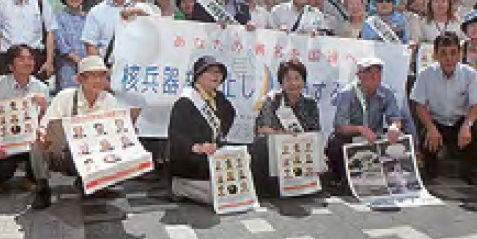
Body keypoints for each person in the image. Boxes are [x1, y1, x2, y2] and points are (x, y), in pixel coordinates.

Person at [31, 55, 122, 210]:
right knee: (36, 144)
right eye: (93, 76)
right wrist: (42, 133)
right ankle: (42, 187)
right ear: (80, 80)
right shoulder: (65, 97)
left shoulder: (109, 100)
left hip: (96, 154)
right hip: (66, 154)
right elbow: (46, 124)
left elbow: (118, 130)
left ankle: (90, 183)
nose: (98, 81)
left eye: (101, 76)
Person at [326, 56, 414, 191]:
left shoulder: (386, 92)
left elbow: (395, 118)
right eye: (369, 72)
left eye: (378, 73)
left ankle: (393, 176)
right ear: (359, 75)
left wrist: (395, 127)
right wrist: (360, 129)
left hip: (375, 136)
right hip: (352, 136)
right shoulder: (347, 93)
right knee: (335, 141)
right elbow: (339, 126)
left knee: (400, 138)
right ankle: (340, 177)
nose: (374, 77)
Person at [410, 33, 477, 184]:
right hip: (436, 121)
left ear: (459, 54)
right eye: (443, 53)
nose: (448, 58)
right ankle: (430, 167)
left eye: (453, 53)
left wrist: (467, 125)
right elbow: (419, 105)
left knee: (476, 128)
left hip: (459, 122)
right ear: (435, 55)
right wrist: (431, 127)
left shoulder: (469, 74)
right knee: (426, 132)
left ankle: (470, 170)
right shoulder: (425, 74)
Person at [0, 44, 50, 191]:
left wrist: (44, 107)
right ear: (11, 66)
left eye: (30, 58)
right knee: (4, 167)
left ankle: (31, 178)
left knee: (41, 145)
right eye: (21, 59)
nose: (27, 62)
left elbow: (46, 121)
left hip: (29, 140)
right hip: (4, 140)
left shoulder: (42, 88)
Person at [167, 56, 236, 205]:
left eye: (218, 72)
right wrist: (196, 147)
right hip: (192, 161)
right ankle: (179, 186)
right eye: (210, 71)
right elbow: (176, 135)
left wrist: (216, 142)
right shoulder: (185, 102)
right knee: (218, 197)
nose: (216, 76)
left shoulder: (220, 99)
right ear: (198, 75)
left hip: (212, 157)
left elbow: (230, 115)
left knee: (236, 188)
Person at [250, 59, 321, 195]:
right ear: (281, 82)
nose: (293, 83)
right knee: (260, 143)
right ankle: (264, 187)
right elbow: (261, 128)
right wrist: (282, 134)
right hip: (278, 147)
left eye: (297, 78)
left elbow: (315, 132)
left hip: (301, 150)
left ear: (303, 81)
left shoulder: (310, 103)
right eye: (288, 79)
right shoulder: (272, 100)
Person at [83, 0, 156, 63]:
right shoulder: (96, 12)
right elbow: (90, 46)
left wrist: (141, 14)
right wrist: (100, 72)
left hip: (134, 69)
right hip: (108, 70)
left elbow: (154, 34)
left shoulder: (140, 8)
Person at [54, 0, 88, 91]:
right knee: (69, 100)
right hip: (67, 68)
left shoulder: (89, 18)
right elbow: (62, 45)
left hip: (89, 69)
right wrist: (80, 62)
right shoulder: (58, 17)